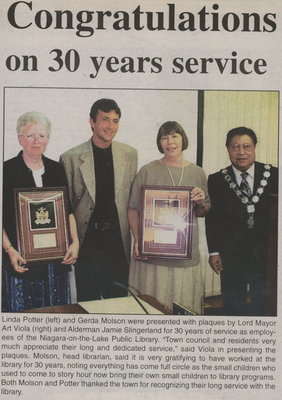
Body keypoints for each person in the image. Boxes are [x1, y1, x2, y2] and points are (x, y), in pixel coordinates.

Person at [128, 121, 210, 314]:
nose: (170, 142)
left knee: (183, 311)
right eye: (164, 137)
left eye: (174, 136)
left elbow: (204, 211)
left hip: (185, 257)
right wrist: (139, 240)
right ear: (159, 142)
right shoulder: (147, 170)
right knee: (152, 309)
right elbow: (132, 209)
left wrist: (200, 202)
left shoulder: (197, 172)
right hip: (153, 256)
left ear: (183, 139)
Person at [60, 98, 137, 302]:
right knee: (88, 302)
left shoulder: (129, 155)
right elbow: (66, 207)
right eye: (105, 119)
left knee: (119, 302)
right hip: (87, 244)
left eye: (115, 120)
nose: (111, 126)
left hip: (117, 242)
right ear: (92, 122)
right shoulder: (70, 158)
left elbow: (133, 201)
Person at [2, 111, 79, 312]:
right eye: (30, 135)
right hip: (20, 259)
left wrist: (75, 242)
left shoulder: (57, 169)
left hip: (56, 263)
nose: (37, 141)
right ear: (20, 139)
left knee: (57, 316)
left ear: (48, 139)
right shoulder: (6, 170)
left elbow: (67, 210)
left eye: (42, 136)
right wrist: (9, 249)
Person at [205, 127, 278, 316]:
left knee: (265, 304)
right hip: (231, 256)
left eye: (246, 146)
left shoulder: (275, 175)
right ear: (228, 149)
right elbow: (213, 220)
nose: (241, 152)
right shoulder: (217, 180)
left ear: (254, 148)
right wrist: (214, 252)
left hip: (266, 255)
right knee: (232, 303)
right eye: (235, 147)